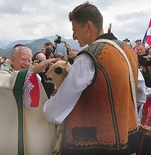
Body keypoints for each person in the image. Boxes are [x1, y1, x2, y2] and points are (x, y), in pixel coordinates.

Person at [43, 2, 146, 155]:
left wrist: (45, 108)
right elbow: (140, 96)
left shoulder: (88, 58)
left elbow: (55, 111)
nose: (73, 36)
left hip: (91, 145)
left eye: (75, 30)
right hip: (127, 140)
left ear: (88, 26)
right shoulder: (128, 51)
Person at [0, 45, 56, 155]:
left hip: (30, 127)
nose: (26, 63)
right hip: (11, 129)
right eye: (23, 59)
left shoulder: (31, 75)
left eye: (29, 60)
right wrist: (33, 71)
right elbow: (6, 82)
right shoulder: (2, 75)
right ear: (12, 59)